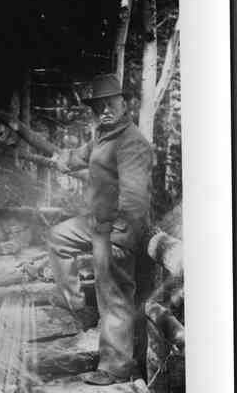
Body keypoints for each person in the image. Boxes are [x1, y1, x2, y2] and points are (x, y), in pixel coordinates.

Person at [49, 74, 153, 385]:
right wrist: (63, 159)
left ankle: (116, 367)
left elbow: (135, 200)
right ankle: (79, 308)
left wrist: (114, 240)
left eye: (110, 103)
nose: (104, 110)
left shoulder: (132, 143)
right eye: (98, 106)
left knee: (114, 295)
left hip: (120, 229)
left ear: (124, 104)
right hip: (98, 222)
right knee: (58, 237)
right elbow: (79, 156)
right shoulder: (104, 136)